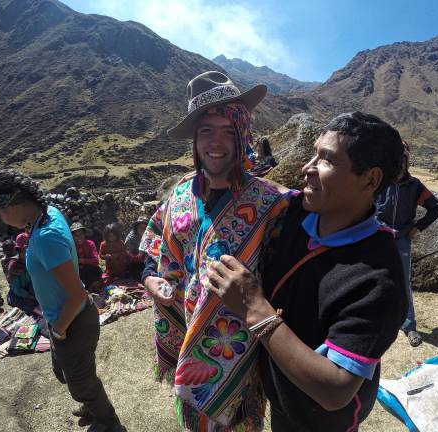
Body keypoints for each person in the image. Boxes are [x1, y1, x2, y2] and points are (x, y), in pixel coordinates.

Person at [206, 112, 409, 431]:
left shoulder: (378, 278)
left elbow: (335, 388)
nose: (306, 168)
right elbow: (260, 188)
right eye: (314, 154)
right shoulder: (297, 211)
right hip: (283, 399)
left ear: (369, 179)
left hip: (323, 421)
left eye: (326, 160)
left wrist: (255, 309)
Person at [139, 71, 288, 431]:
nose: (216, 142)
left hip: (242, 350)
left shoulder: (272, 203)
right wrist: (149, 278)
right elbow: (155, 242)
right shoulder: (178, 195)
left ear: (243, 133)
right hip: (189, 329)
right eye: (206, 131)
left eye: (227, 130)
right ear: (195, 140)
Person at [0, 170, 124, 432]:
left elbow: (76, 295)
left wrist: (59, 329)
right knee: (68, 372)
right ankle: (92, 404)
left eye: (0, 212)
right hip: (63, 317)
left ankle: (108, 421)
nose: (0, 219)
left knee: (80, 380)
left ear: (14, 203)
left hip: (72, 320)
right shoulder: (46, 215)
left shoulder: (46, 237)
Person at [375, 140, 438, 347]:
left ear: (407, 163)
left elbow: (436, 208)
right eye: (396, 162)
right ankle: (377, 321)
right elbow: (366, 205)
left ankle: (409, 325)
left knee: (403, 282)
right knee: (376, 279)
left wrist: (418, 227)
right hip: (379, 238)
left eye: (403, 162)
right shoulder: (380, 182)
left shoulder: (415, 186)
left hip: (402, 240)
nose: (400, 166)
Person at [5, 232, 39, 315]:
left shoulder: (33, 260)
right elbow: (17, 289)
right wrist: (31, 296)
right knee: (32, 307)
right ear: (20, 251)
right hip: (20, 294)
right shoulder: (14, 266)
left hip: (32, 288)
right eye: (26, 250)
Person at [71, 222, 103, 292]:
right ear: (72, 237)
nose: (79, 237)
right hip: (78, 272)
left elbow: (96, 261)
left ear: (84, 234)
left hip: (91, 271)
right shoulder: (71, 247)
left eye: (81, 234)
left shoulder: (90, 244)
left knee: (89, 269)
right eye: (75, 235)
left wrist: (81, 260)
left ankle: (94, 287)